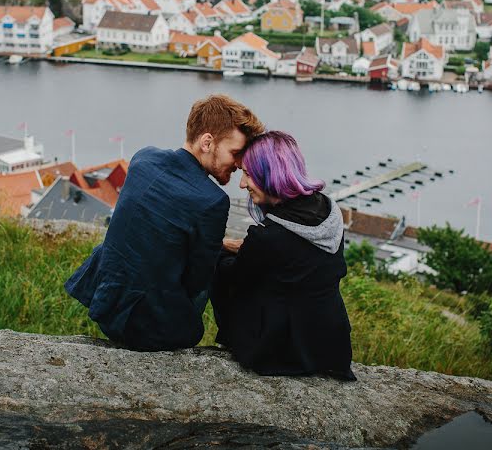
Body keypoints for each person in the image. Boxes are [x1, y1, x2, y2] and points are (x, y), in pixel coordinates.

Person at [65, 94, 264, 351]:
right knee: (218, 271)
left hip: (105, 303)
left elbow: (155, 228)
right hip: (149, 329)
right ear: (207, 142)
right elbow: (196, 281)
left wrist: (218, 243)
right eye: (235, 153)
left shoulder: (143, 158)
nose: (239, 164)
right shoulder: (212, 200)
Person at [211, 131, 356, 380]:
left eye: (247, 174)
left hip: (286, 350)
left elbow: (235, 277)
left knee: (218, 268)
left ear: (270, 175)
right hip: (331, 343)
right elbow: (295, 259)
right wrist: (244, 248)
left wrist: (214, 248)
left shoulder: (268, 237)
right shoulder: (329, 209)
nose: (243, 184)